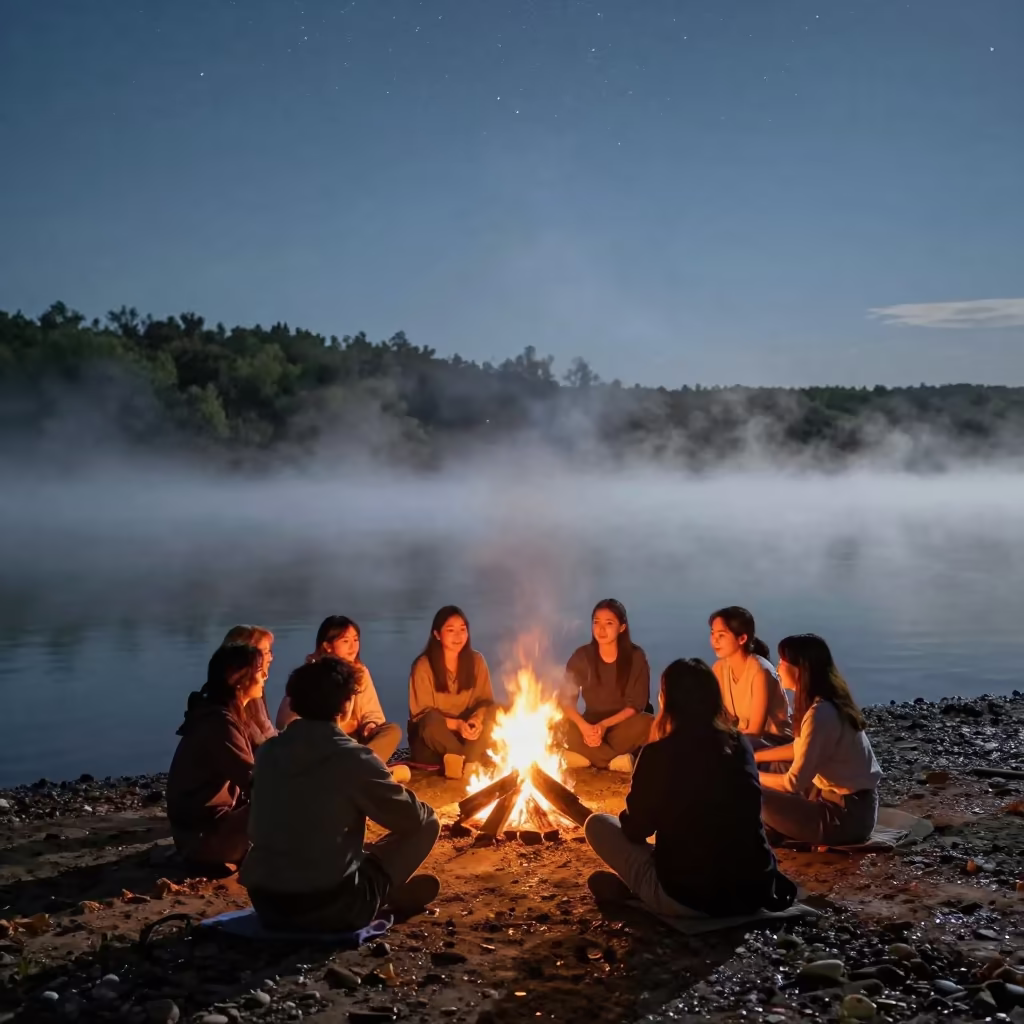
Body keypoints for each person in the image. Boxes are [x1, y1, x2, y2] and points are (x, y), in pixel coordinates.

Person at [241, 658, 441, 931]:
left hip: (266, 903)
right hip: (330, 907)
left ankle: (376, 887)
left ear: (294, 702)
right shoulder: (354, 758)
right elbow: (412, 820)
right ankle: (381, 896)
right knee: (428, 821)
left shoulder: (267, 752)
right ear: (346, 704)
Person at [584, 658, 795, 916]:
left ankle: (643, 898)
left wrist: (633, 815)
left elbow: (637, 830)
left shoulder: (658, 752)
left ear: (666, 699)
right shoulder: (738, 743)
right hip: (756, 889)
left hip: (691, 896)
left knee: (597, 824)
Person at [755, 634, 882, 847]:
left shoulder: (820, 714)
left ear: (799, 669)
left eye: (781, 662)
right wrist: (756, 755)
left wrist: (751, 773)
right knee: (770, 760)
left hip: (844, 818)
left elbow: (793, 783)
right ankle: (776, 828)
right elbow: (802, 747)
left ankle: (769, 832)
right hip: (853, 806)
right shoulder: (826, 705)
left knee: (750, 791)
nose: (777, 668)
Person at [166, 642, 265, 869]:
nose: (266, 676)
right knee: (281, 799)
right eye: (260, 671)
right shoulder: (219, 723)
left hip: (200, 833)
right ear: (238, 678)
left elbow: (264, 753)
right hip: (203, 840)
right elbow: (255, 782)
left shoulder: (230, 714)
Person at [276, 616, 402, 764]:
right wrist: (344, 726)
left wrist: (370, 725)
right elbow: (287, 724)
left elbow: (372, 711)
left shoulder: (360, 672)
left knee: (392, 730)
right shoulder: (311, 674)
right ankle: (366, 769)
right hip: (323, 743)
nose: (353, 646)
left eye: (356, 640)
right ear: (327, 646)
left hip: (355, 741)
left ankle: (361, 766)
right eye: (345, 641)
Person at [561, 599, 654, 772]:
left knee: (647, 723)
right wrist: (584, 727)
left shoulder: (636, 657)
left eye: (609, 623)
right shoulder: (582, 656)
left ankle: (587, 757)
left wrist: (604, 726)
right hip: (589, 725)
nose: (601, 629)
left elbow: (637, 704)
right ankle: (614, 761)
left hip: (621, 725)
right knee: (557, 724)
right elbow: (566, 700)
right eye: (596, 622)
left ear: (622, 627)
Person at [408, 605, 496, 779]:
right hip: (436, 740)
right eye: (451, 630)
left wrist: (476, 719)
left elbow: (485, 702)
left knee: (498, 711)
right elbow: (422, 716)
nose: (458, 636)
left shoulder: (477, 661)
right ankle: (466, 759)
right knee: (430, 722)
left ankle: (463, 761)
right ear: (437, 634)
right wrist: (457, 725)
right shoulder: (423, 666)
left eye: (463, 630)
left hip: (468, 734)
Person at [709, 607, 791, 749]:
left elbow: (756, 731)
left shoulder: (760, 671)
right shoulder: (718, 669)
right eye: (712, 634)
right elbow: (721, 718)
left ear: (742, 638)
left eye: (721, 635)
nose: (715, 640)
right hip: (741, 737)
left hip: (773, 741)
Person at [223, 624, 278, 747]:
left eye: (270, 651)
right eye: (265, 652)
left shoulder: (255, 692)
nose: (271, 657)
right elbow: (260, 744)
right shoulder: (230, 705)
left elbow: (268, 734)